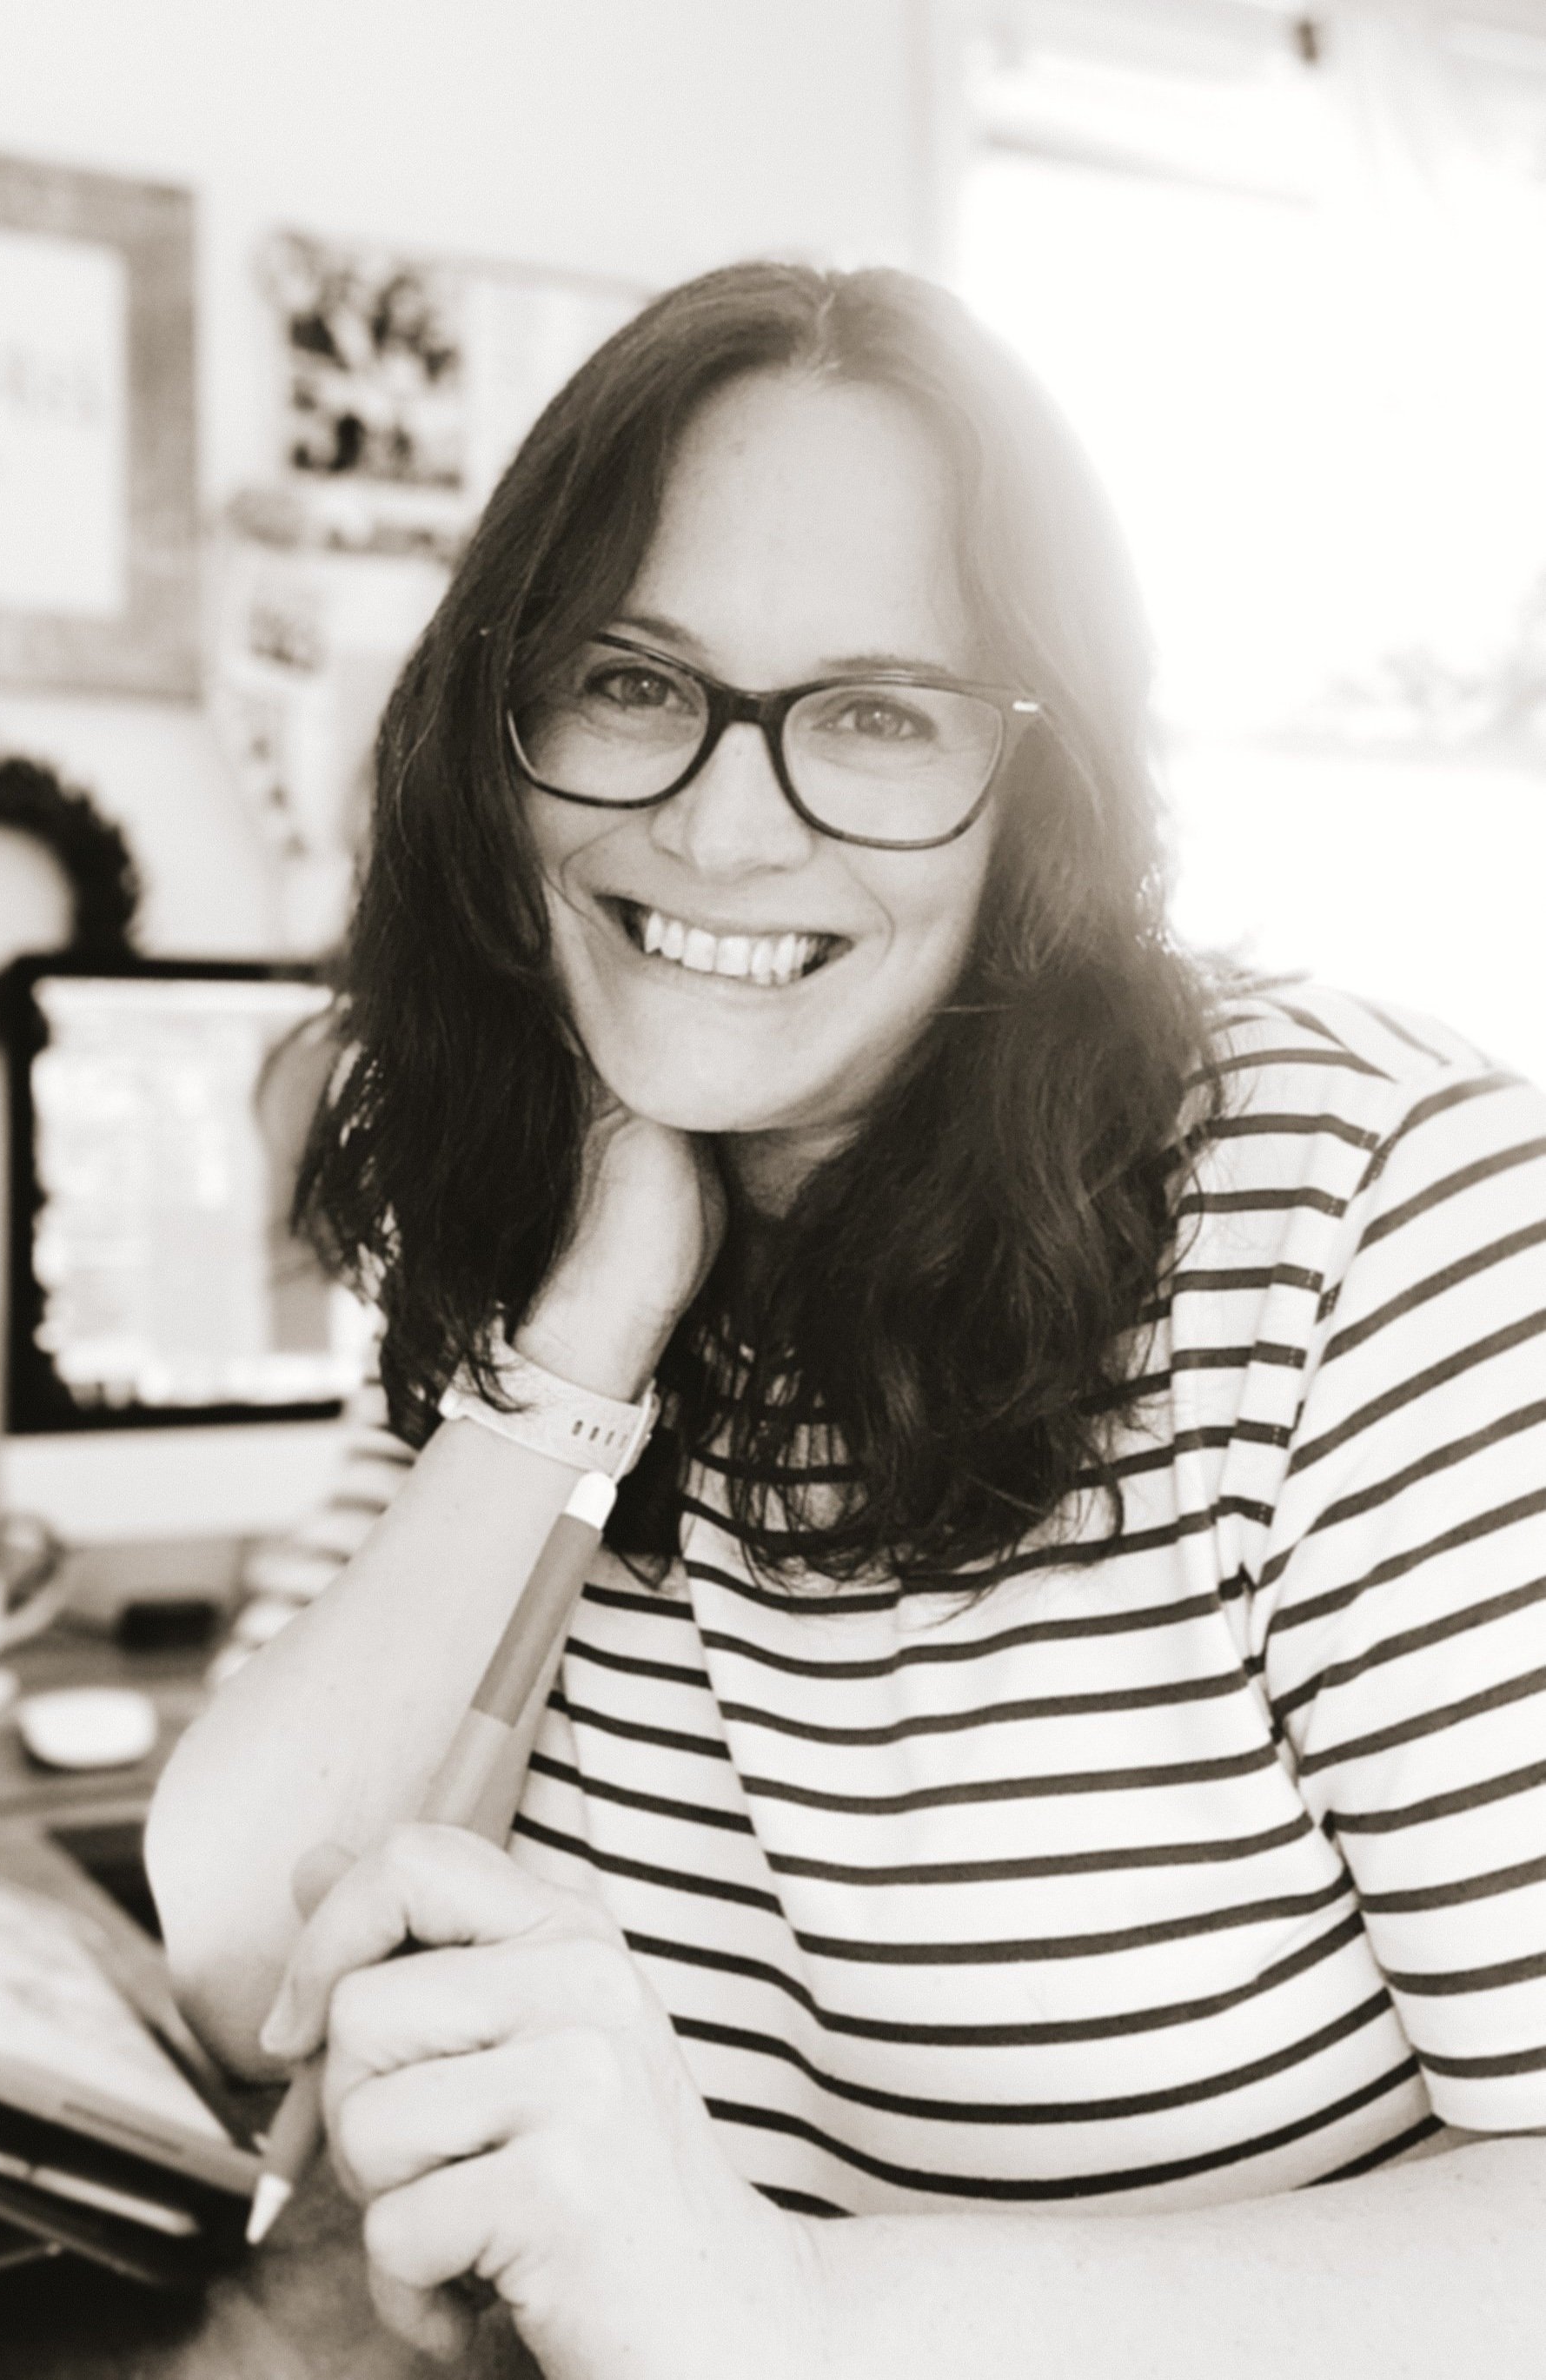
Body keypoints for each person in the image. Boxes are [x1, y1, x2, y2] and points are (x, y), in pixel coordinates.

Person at [145, 263, 1546, 2377]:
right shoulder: (568, 1198)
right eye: (633, 680)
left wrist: (780, 2298)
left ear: (1040, 791)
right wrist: (594, 1319)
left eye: (879, 713)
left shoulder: (1381, 1224)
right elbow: (247, 1956)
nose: (722, 825)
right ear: (497, 724)